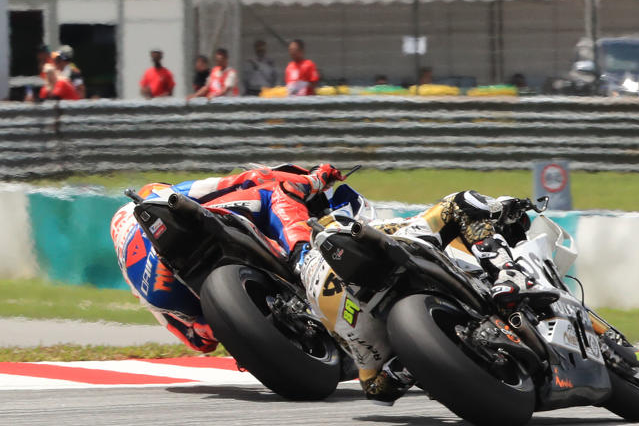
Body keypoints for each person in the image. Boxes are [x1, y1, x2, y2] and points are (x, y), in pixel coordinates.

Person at [299, 190, 558, 403]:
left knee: (374, 385)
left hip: (342, 310)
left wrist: (412, 363)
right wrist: (503, 207)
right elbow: (447, 214)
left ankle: (405, 368)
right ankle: (509, 274)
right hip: (368, 258)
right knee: (462, 201)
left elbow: (374, 391)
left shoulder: (315, 281)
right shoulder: (373, 225)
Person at [109, 163, 347, 352]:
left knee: (203, 329)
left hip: (165, 294)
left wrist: (222, 329)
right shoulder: (161, 194)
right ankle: (305, 259)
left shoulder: (135, 280)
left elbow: (199, 343)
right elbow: (246, 179)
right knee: (275, 190)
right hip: (184, 251)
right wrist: (315, 178)